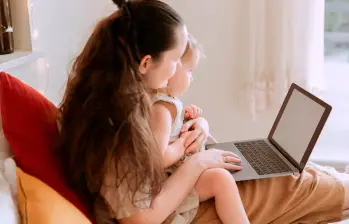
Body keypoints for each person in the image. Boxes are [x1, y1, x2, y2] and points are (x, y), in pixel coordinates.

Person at [57, 0, 349, 224]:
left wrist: (199, 128)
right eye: (174, 60)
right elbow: (140, 218)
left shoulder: (125, 95)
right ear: (145, 63)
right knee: (302, 184)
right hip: (176, 203)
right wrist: (196, 163)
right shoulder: (117, 128)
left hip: (179, 182)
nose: (177, 71)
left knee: (306, 172)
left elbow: (161, 136)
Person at [149, 34, 249, 224]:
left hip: (181, 171)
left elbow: (166, 133)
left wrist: (189, 118)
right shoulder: (162, 109)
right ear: (173, 67)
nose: (191, 78)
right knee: (222, 180)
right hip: (171, 180)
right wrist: (183, 144)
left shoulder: (165, 103)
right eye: (190, 71)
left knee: (225, 173)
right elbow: (159, 158)